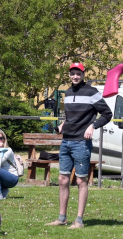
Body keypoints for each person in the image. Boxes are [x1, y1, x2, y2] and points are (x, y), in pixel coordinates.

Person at [46, 62, 113, 229]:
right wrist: (63, 125)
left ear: (84, 74)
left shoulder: (91, 92)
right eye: (72, 73)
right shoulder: (67, 93)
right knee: (62, 180)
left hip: (81, 143)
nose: (75, 76)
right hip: (66, 141)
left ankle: (79, 220)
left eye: (78, 73)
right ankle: (62, 218)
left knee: (81, 181)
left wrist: (93, 126)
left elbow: (107, 113)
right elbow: (71, 117)